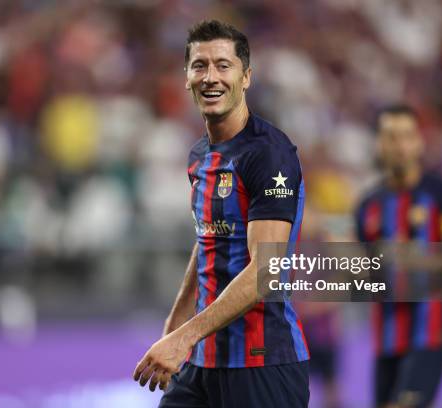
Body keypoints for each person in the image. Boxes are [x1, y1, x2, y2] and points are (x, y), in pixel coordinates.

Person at [133, 20, 310, 407]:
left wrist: (184, 337)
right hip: (202, 363)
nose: (210, 77)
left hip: (262, 363)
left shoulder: (269, 154)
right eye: (200, 65)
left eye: (223, 65)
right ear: (186, 77)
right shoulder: (200, 155)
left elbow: (266, 272)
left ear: (246, 77)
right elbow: (209, 237)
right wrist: (178, 318)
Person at [354, 105, 442, 408]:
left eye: (406, 136)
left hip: (431, 329)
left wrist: (409, 257)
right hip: (387, 334)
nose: (399, 145)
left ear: (419, 142)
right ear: (379, 143)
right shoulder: (368, 205)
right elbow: (361, 271)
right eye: (390, 136)